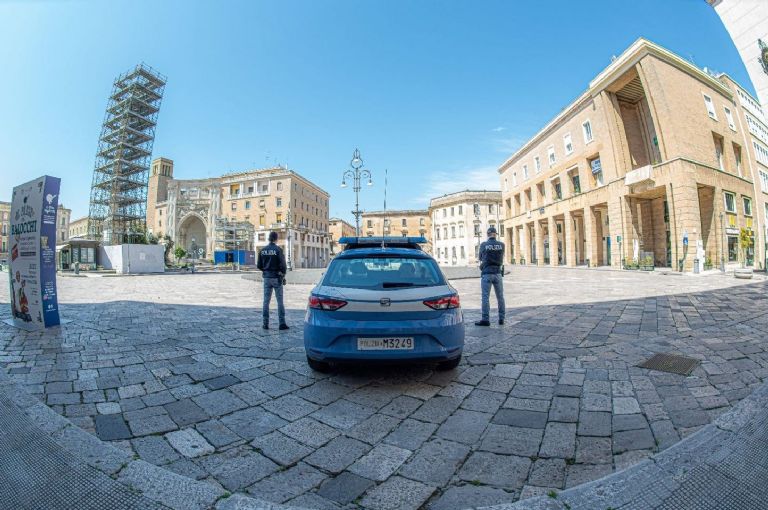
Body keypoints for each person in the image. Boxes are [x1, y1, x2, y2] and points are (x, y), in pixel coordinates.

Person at [257, 231, 289, 330]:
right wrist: (283, 274)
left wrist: (266, 271)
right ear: (276, 239)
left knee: (266, 302)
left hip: (267, 278)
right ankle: (282, 323)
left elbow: (259, 265)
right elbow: (283, 266)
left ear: (268, 238)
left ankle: (265, 324)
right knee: (280, 301)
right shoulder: (278, 250)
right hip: (277, 278)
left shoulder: (262, 250)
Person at [475, 226, 506, 326]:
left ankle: (485, 319)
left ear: (488, 234)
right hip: (497, 273)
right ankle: (501, 318)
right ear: (495, 234)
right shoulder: (501, 245)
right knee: (500, 297)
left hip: (487, 273)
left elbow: (480, 257)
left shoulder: (484, 244)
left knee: (485, 297)